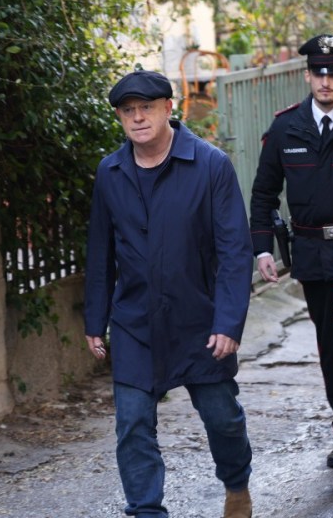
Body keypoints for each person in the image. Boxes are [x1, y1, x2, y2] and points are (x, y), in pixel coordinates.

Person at [83, 69, 254, 518]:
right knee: (133, 423)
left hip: (200, 320)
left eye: (147, 108)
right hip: (135, 322)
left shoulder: (210, 165)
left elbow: (235, 252)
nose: (138, 118)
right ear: (120, 118)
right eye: (128, 111)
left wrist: (228, 322)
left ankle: (236, 484)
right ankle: (146, 510)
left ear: (168, 109)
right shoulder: (111, 172)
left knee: (223, 419)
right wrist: (94, 320)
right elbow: (100, 252)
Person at [249, 34, 333, 478]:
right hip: (310, 253)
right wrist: (261, 249)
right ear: (307, 76)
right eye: (318, 72)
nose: (326, 80)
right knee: (329, 348)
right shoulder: (286, 128)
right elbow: (263, 193)